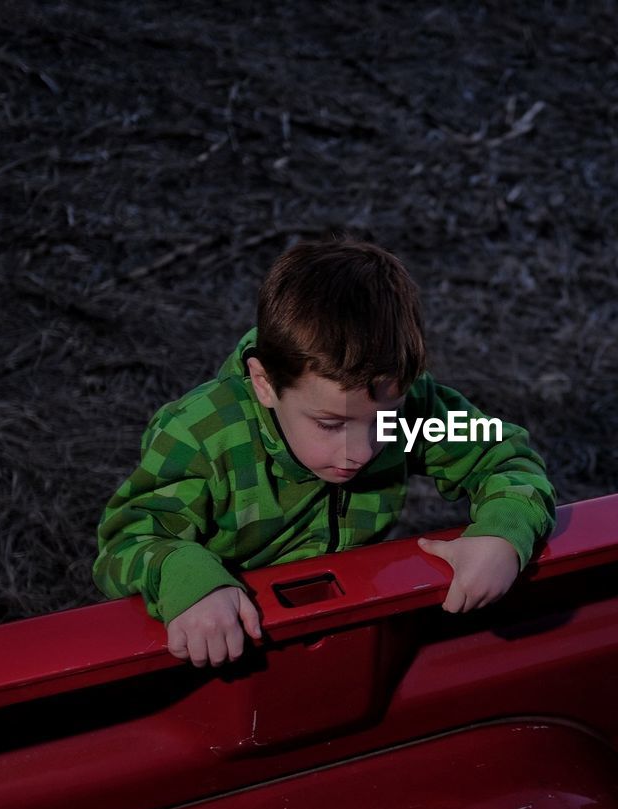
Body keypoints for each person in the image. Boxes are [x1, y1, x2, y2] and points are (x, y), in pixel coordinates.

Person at [93, 237, 556, 667]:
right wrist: (188, 581)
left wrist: (502, 535)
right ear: (265, 384)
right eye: (329, 424)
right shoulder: (200, 436)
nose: (361, 451)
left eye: (383, 421)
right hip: (227, 642)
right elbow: (126, 543)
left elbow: (503, 456)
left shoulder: (412, 407)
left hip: (349, 631)